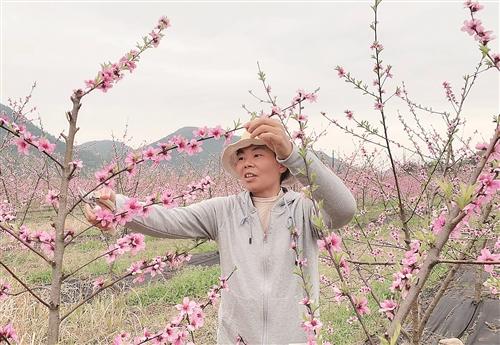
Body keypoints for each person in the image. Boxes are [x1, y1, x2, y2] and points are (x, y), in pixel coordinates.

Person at [84, 118, 356, 345]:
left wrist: (295, 154)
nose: (245, 163)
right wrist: (118, 207)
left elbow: (344, 209)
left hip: (296, 339)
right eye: (240, 158)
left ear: (281, 163)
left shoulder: (305, 211)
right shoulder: (223, 211)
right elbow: (169, 219)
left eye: (257, 155)